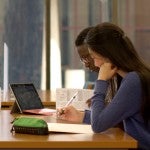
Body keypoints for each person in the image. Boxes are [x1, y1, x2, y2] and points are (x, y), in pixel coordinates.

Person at [57, 22, 150, 149]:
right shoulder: (129, 77)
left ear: (107, 56)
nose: (95, 64)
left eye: (94, 57)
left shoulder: (133, 81)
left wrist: (101, 80)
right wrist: (81, 116)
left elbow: (98, 125)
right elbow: (112, 118)